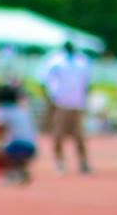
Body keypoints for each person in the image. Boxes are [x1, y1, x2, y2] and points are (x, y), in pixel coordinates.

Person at [38, 40, 92, 173]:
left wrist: (85, 100)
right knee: (58, 135)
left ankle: (83, 163)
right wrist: (49, 100)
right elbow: (44, 80)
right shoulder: (55, 61)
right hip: (61, 103)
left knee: (79, 136)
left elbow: (87, 83)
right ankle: (60, 162)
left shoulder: (82, 61)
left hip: (77, 103)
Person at [0, 83, 38, 184]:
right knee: (14, 146)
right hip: (32, 147)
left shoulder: (3, 110)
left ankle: (12, 172)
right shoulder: (22, 110)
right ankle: (20, 171)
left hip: (17, 147)